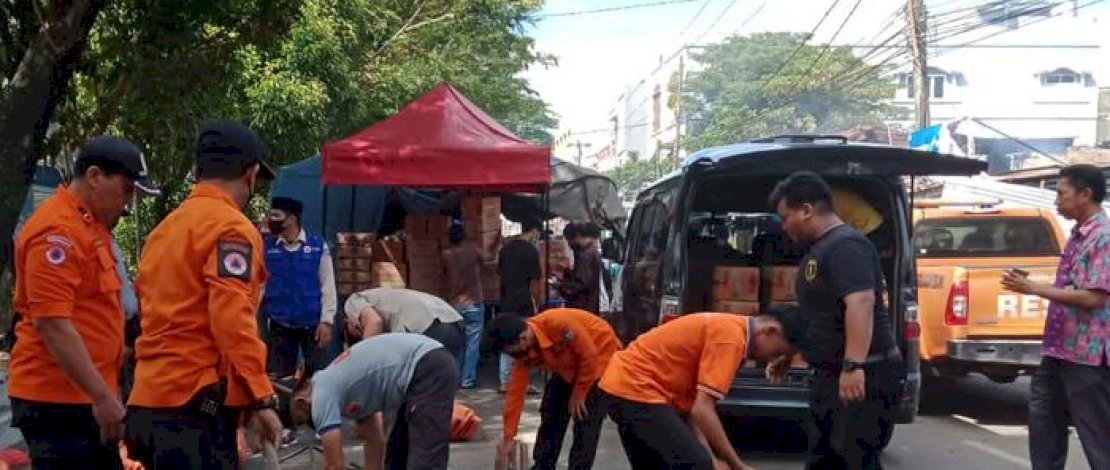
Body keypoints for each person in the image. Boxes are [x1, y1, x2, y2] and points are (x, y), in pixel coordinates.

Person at [125, 120, 283, 468]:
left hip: (148, 399)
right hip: (193, 407)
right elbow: (231, 319)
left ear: (198, 170)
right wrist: (262, 397)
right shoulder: (231, 227)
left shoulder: (164, 231)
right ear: (251, 174)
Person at [9, 136, 156, 469]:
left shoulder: (89, 227)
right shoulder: (56, 233)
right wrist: (102, 396)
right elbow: (52, 323)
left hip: (84, 395)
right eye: (126, 190)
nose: (127, 204)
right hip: (57, 400)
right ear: (94, 176)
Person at [767, 171, 903, 470]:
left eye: (785, 217)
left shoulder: (846, 246)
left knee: (854, 460)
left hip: (864, 375)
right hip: (831, 375)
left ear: (806, 210)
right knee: (824, 460)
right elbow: (822, 316)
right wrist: (793, 354)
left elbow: (861, 302)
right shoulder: (822, 249)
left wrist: (854, 365)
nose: (783, 226)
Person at [598, 309, 806, 470]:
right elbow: (702, 410)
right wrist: (736, 464)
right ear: (769, 331)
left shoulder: (731, 327)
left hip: (622, 385)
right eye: (776, 352)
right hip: (634, 388)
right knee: (695, 464)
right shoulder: (730, 340)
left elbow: (693, 410)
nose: (770, 359)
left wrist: (712, 457)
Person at [1001, 164, 1110, 470]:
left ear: (1085, 194)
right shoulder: (1078, 234)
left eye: (1062, 194)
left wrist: (1034, 288)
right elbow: (1073, 286)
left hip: (1086, 355)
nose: (1057, 200)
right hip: (1059, 349)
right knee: (1044, 426)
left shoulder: (1103, 237)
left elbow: (1094, 296)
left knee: (1097, 437)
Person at [289, 333, 459, 470]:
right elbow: (375, 443)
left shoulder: (321, 394)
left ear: (301, 402)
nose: (309, 424)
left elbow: (334, 465)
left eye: (302, 420)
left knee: (424, 460)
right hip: (420, 369)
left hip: (426, 366)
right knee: (396, 458)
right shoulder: (344, 391)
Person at [486, 308, 622, 470]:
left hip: (599, 362)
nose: (516, 358)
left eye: (514, 353)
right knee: (551, 411)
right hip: (567, 369)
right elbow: (515, 394)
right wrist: (508, 436)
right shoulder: (523, 349)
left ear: (523, 338)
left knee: (585, 419)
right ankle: (543, 465)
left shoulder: (559, 324)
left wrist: (579, 393)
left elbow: (589, 357)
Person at [260, 196, 337, 379]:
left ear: (292, 218)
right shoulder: (266, 247)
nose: (272, 220)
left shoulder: (317, 246)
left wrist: (327, 321)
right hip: (280, 324)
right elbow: (260, 285)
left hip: (313, 325)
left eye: (276, 215)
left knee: (317, 378)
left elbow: (328, 285)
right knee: (279, 379)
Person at [440, 221, 498, 389]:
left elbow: (442, 278)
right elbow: (489, 258)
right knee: (473, 343)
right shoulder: (473, 250)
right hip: (473, 303)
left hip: (454, 304)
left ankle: (455, 377)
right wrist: (495, 242)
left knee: (457, 343)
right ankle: (467, 379)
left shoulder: (446, 255)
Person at [343, 287, 465, 360]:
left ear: (347, 321)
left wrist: (361, 361)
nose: (360, 333)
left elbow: (374, 322)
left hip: (426, 324)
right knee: (440, 384)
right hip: (452, 320)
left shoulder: (352, 301)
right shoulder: (381, 297)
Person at [496, 218, 545, 391]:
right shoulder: (531, 251)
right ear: (534, 231)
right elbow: (535, 281)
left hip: (505, 299)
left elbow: (499, 274)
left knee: (506, 337)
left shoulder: (505, 249)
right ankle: (522, 381)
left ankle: (504, 381)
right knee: (524, 339)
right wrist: (538, 302)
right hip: (524, 300)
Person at [559, 222, 602, 314]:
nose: (569, 244)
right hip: (590, 305)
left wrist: (561, 285)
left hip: (584, 306)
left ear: (577, 236)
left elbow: (581, 283)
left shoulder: (586, 255)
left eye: (569, 240)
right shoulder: (590, 252)